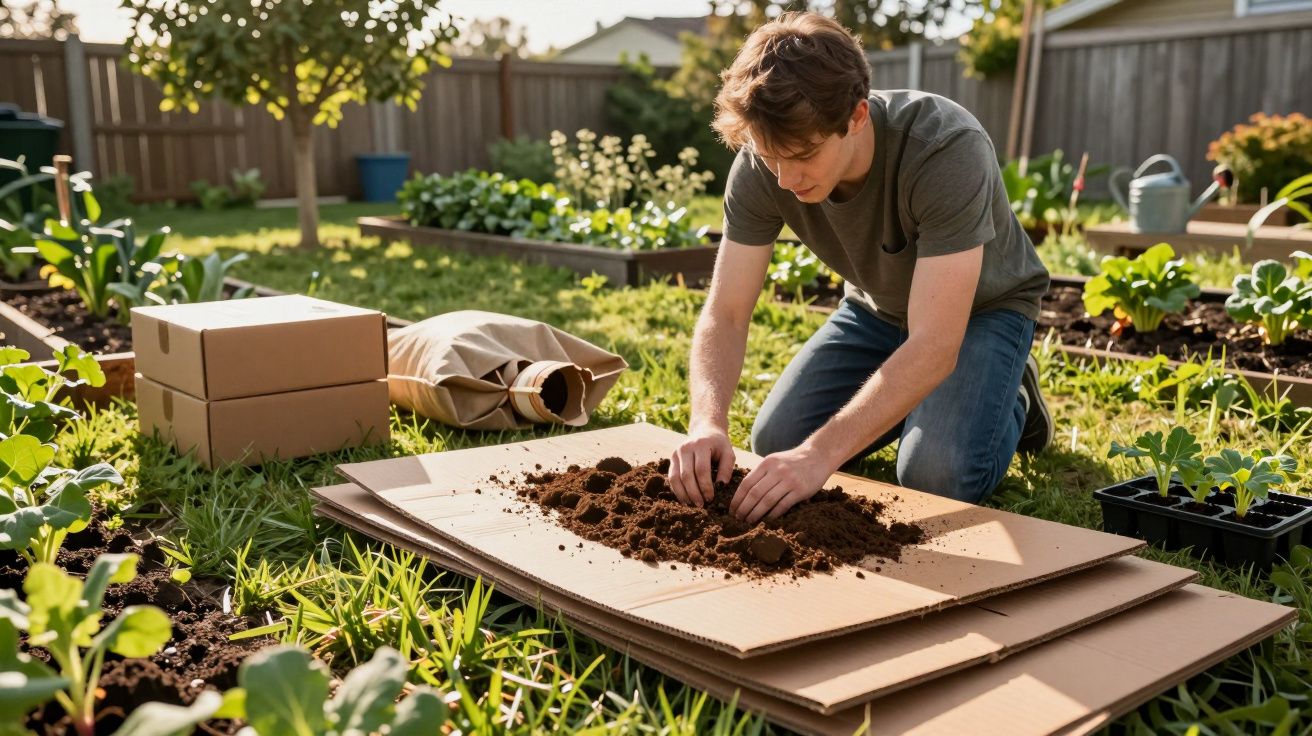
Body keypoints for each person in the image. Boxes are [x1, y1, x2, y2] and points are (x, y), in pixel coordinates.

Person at [666, 11, 1053, 524]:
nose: (784, 178)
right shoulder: (766, 164)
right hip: (876, 311)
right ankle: (920, 402)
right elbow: (727, 311)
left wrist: (820, 455)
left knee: (933, 475)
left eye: (803, 154)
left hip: (982, 313)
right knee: (777, 441)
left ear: (856, 117)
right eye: (768, 154)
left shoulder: (945, 148)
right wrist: (706, 421)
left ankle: (1013, 393)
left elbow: (936, 344)